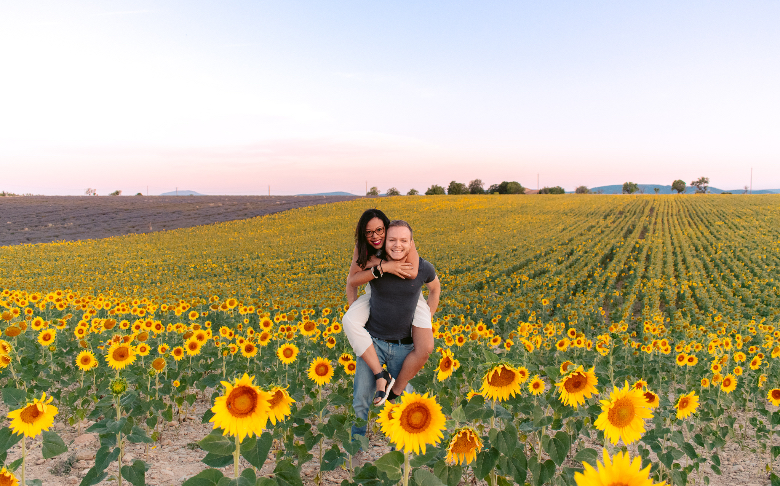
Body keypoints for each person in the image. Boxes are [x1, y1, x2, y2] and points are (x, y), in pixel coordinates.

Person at [350, 220, 440, 438]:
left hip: (403, 346)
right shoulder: (377, 266)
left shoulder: (423, 268)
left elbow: (435, 289)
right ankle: (357, 443)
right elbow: (353, 279)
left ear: (411, 244)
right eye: (392, 240)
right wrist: (352, 308)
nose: (397, 245)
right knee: (361, 399)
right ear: (384, 243)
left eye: (403, 240)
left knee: (400, 402)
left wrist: (427, 317)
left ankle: (399, 444)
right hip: (373, 343)